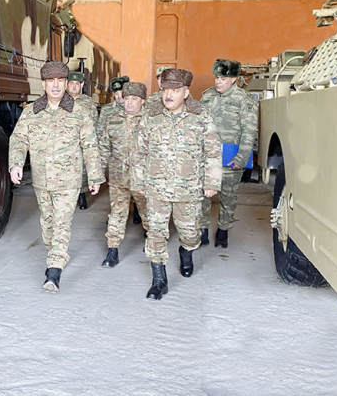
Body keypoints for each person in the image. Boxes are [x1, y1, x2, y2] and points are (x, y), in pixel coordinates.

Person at [9, 62, 105, 293]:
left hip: (68, 180)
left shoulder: (79, 112)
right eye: (51, 81)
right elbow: (19, 139)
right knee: (48, 222)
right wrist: (15, 164)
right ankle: (54, 252)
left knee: (62, 223)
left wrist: (94, 175)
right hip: (42, 180)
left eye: (60, 81)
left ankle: (54, 269)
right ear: (43, 84)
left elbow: (90, 145)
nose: (55, 85)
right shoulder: (31, 112)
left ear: (65, 84)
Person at [132, 69, 221, 300]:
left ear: (186, 92)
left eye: (175, 90)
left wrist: (211, 181)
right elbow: (139, 151)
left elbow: (212, 150)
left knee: (190, 233)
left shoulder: (201, 115)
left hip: (188, 189)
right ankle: (159, 281)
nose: (168, 95)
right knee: (156, 233)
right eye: (165, 90)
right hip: (156, 187)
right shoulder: (150, 115)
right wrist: (138, 181)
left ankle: (186, 250)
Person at [199, 59, 258, 248]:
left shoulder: (244, 100)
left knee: (228, 197)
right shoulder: (207, 96)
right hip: (207, 158)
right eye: (216, 77)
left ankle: (223, 231)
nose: (218, 82)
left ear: (233, 79)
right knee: (203, 196)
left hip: (231, 159)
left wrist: (241, 158)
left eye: (223, 78)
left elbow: (249, 131)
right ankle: (203, 230)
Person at [98, 82, 149, 268]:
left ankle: (153, 242)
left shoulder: (151, 121)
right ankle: (112, 250)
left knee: (148, 213)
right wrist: (98, 173)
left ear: (142, 101)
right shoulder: (113, 119)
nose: (129, 103)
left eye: (134, 99)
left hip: (143, 179)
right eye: (127, 98)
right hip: (118, 177)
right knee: (117, 213)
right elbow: (104, 147)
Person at [67, 71, 99, 210]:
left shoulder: (88, 102)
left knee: (82, 169)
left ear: (81, 85)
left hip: (82, 139)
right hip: (66, 141)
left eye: (77, 84)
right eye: (71, 83)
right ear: (67, 85)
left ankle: (82, 195)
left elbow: (94, 120)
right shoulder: (60, 100)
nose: (74, 86)